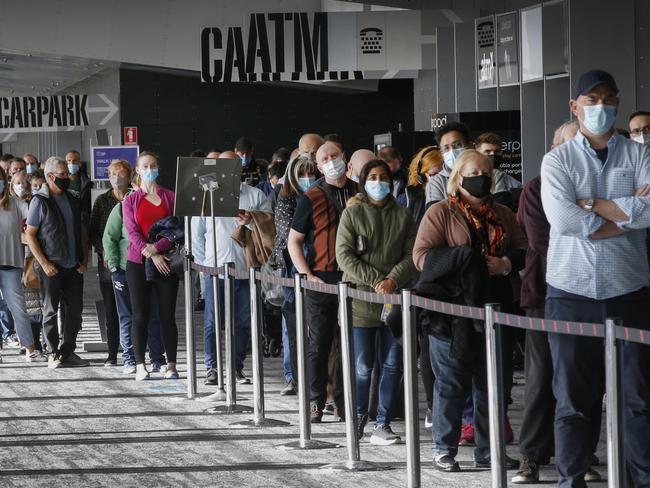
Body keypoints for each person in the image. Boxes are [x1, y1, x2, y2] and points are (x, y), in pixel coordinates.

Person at [540, 69, 650, 487]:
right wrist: (627, 214)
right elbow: (565, 220)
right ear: (575, 106)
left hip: (630, 292)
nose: (600, 107)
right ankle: (572, 481)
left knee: (637, 402)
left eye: (608, 99)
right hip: (571, 293)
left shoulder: (639, 155)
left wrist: (593, 204)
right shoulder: (557, 160)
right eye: (591, 100)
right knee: (573, 403)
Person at [413, 149, 526, 472]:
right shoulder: (440, 212)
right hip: (452, 311)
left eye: (485, 174)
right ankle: (443, 448)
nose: (480, 180)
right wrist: (465, 260)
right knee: (450, 382)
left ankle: (489, 450)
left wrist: (504, 264)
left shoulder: (503, 213)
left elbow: (522, 249)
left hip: (497, 306)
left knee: (493, 383)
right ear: (457, 178)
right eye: (473, 174)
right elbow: (421, 257)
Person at [513, 119, 600, 484]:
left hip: (592, 295)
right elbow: (544, 241)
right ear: (554, 150)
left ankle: (580, 455)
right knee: (541, 377)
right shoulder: (535, 189)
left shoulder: (598, 186)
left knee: (586, 381)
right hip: (545, 294)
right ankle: (531, 456)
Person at [335, 159, 416, 445]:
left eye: (383, 177)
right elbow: (343, 255)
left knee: (393, 364)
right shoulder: (352, 213)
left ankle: (383, 422)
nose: (379, 182)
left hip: (394, 299)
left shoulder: (404, 215)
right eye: (372, 176)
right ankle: (358, 416)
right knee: (362, 366)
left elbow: (412, 255)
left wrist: (392, 280)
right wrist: (375, 280)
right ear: (363, 180)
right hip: (360, 299)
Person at [288, 141, 359, 422]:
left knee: (347, 344)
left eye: (334, 155)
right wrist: (307, 274)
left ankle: (343, 402)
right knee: (319, 343)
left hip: (355, 278)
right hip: (321, 278)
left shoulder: (359, 191)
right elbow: (294, 241)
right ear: (318, 166)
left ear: (344, 156)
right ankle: (315, 401)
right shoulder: (312, 196)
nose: (331, 161)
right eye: (324, 158)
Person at [192, 151, 272, 386]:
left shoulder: (255, 195)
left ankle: (236, 367)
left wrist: (252, 220)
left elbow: (269, 226)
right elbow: (197, 237)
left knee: (243, 321)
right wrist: (203, 267)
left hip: (247, 270)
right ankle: (212, 368)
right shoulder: (206, 197)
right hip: (214, 269)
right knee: (213, 321)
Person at [24, 156, 89, 368]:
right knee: (50, 311)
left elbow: (80, 230)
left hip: (73, 265)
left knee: (75, 311)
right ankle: (52, 352)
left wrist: (83, 258)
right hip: (51, 267)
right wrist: (43, 263)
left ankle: (68, 351)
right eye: (63, 174)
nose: (67, 177)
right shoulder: (39, 201)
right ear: (50, 176)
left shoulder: (72, 199)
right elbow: (31, 235)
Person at [103, 169, 167, 375]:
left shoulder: (158, 204)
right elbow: (109, 238)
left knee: (154, 314)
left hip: (151, 268)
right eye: (139, 185)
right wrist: (114, 267)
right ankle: (129, 357)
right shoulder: (123, 207)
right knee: (129, 316)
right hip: (125, 268)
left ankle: (157, 358)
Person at [122, 151, 179, 381]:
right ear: (137, 170)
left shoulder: (170, 197)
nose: (149, 169)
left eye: (153, 165)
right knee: (140, 315)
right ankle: (140, 365)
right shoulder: (130, 200)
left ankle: (172, 365)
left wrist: (158, 248)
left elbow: (177, 228)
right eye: (145, 166)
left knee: (167, 315)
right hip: (137, 262)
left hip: (166, 261)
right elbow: (132, 231)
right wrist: (150, 252)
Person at [270, 155, 318, 395]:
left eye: (312, 174)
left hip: (319, 267)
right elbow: (293, 235)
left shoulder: (321, 195)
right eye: (303, 174)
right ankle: (297, 378)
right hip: (292, 268)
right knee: (294, 324)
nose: (308, 179)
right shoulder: (285, 198)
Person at [0, 167, 46, 363]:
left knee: (18, 308)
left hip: (10, 263)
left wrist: (35, 191)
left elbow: (36, 214)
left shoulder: (16, 203)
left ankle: (30, 348)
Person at [89, 160, 131, 367]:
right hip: (107, 262)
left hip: (132, 260)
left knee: (134, 307)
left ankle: (134, 351)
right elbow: (93, 231)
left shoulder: (135, 197)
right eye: (112, 174)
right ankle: (112, 353)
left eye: (120, 174)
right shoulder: (102, 201)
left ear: (129, 176)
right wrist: (102, 249)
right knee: (111, 308)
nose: (116, 178)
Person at [425, 122, 511, 204]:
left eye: (457, 145)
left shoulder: (492, 175)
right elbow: (436, 217)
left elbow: (501, 213)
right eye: (446, 148)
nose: (452, 151)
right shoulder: (436, 183)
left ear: (470, 146)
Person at [397, 146, 443, 226]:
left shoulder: (457, 199)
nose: (440, 179)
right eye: (434, 175)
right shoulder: (406, 200)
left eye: (443, 174)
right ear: (421, 176)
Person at [65, 150, 92, 227]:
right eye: (69, 161)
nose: (72, 163)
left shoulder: (87, 183)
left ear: (80, 163)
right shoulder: (61, 182)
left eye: (75, 160)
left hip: (81, 221)